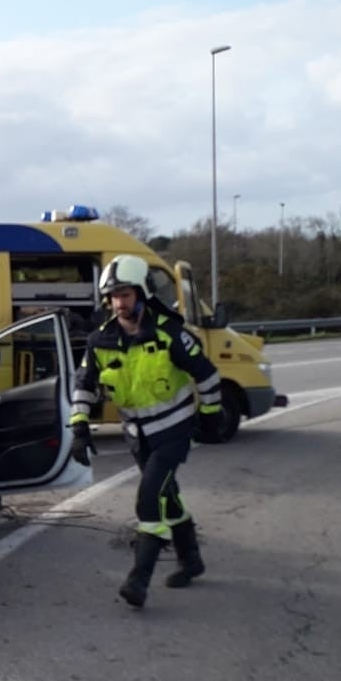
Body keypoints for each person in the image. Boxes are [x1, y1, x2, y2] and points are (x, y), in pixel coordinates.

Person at [69, 255, 224, 608]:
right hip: (137, 436)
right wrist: (79, 425)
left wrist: (212, 413)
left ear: (142, 294)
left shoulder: (171, 335)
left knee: (149, 498)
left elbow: (208, 375)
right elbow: (84, 384)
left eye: (125, 294)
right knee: (167, 495)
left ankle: (138, 580)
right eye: (113, 296)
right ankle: (191, 560)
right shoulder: (100, 341)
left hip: (174, 429)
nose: (119, 303)